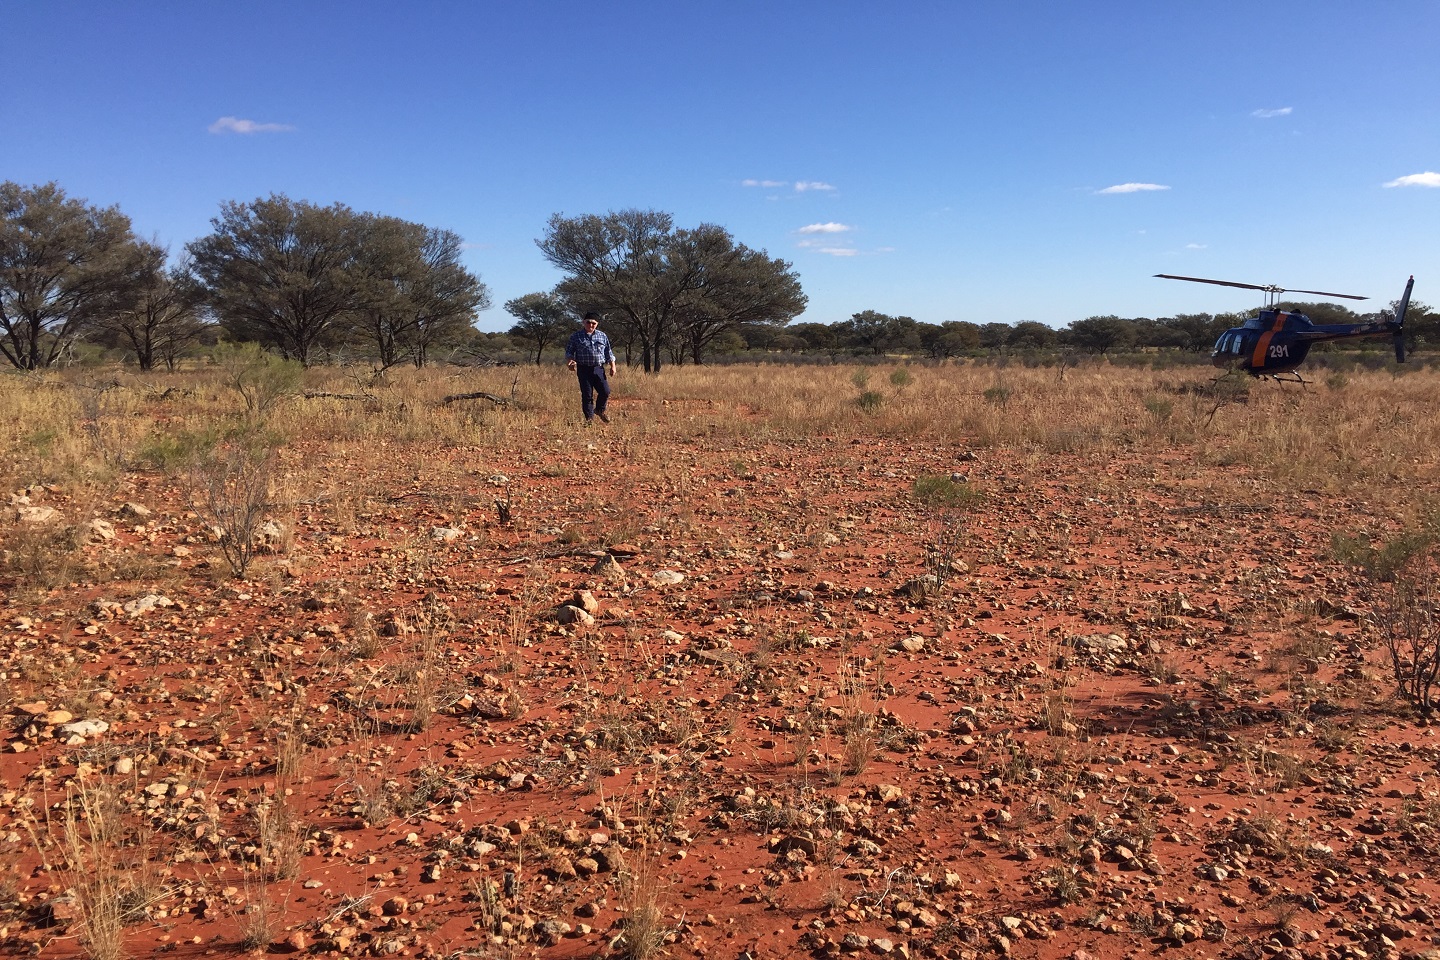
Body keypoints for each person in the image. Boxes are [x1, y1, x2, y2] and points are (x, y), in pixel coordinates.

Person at [564, 312, 617, 424]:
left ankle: (599, 410)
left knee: (605, 391)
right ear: (583, 322)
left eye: (594, 323)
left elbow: (608, 352)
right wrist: (570, 363)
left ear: (597, 324)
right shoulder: (576, 336)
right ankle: (589, 420)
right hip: (584, 369)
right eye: (588, 322)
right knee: (587, 395)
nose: (591, 325)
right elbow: (569, 352)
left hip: (598, 369)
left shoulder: (602, 336)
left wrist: (613, 366)